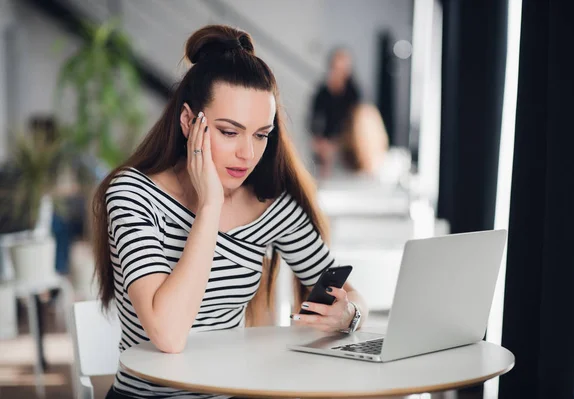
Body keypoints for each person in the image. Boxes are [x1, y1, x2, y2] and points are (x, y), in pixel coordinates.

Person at [91, 25, 369, 399]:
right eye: (228, 132)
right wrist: (210, 206)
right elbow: (169, 335)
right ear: (190, 122)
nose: (247, 154)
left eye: (260, 134)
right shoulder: (132, 194)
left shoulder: (271, 206)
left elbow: (353, 297)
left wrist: (350, 316)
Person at [309, 48, 361, 178]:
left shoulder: (353, 92)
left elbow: (353, 121)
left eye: (344, 68)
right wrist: (318, 139)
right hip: (326, 140)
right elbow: (314, 117)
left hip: (347, 139)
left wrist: (336, 142)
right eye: (337, 67)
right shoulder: (323, 90)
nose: (340, 72)